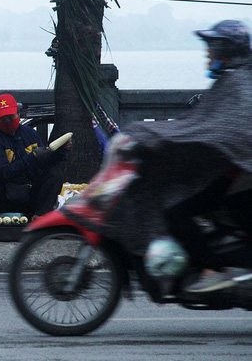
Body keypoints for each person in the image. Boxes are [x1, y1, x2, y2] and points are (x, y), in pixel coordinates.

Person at [69, 20, 252, 293]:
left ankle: (214, 270)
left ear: (226, 50)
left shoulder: (238, 85)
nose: (207, 54)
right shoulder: (231, 81)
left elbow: (217, 132)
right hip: (223, 171)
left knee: (175, 210)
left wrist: (151, 135)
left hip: (234, 173)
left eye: (212, 48)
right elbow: (198, 125)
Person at [0, 93, 71, 224]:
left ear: (18, 114)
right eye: (3, 119)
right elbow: (3, 173)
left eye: (11, 117)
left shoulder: (30, 134)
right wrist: (31, 158)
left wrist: (60, 152)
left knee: (54, 173)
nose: (8, 122)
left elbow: (45, 163)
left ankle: (40, 217)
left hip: (30, 195)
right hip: (2, 196)